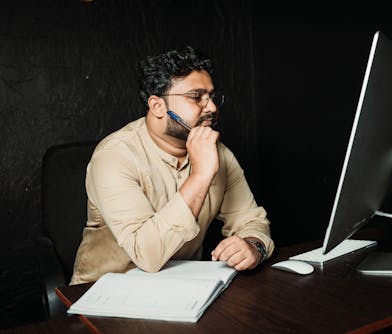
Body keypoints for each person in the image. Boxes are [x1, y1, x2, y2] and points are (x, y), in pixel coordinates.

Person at [70, 45, 274, 285]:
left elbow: (251, 220)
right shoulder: (114, 156)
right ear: (157, 106)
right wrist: (201, 175)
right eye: (196, 97)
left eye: (211, 97)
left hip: (183, 289)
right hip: (105, 293)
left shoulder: (219, 153)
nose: (211, 108)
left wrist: (253, 246)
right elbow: (147, 255)